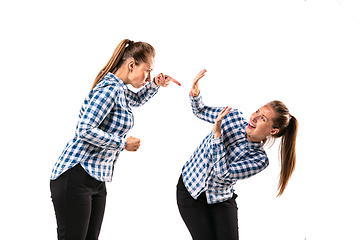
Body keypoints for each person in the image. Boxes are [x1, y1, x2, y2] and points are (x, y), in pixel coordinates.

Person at [50, 39, 180, 240]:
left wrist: (155, 84)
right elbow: (84, 129)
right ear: (131, 65)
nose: (148, 77)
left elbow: (135, 100)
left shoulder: (119, 89)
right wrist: (122, 144)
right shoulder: (109, 88)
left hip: (95, 179)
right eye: (147, 70)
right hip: (75, 175)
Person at [177, 69, 298, 240]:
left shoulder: (259, 160)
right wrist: (195, 94)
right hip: (191, 190)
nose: (254, 117)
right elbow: (200, 110)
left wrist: (217, 136)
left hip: (220, 197)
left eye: (263, 118)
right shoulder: (232, 116)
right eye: (257, 111)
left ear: (273, 130)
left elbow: (223, 174)